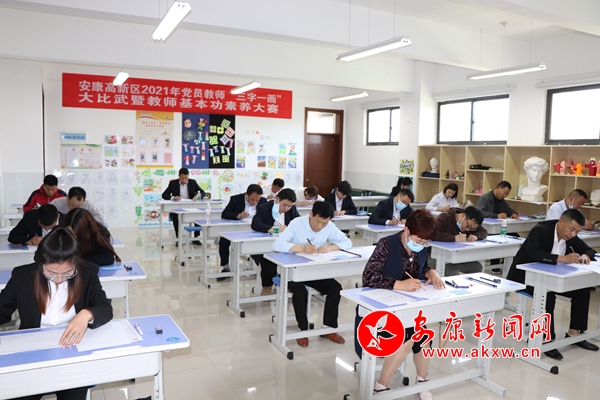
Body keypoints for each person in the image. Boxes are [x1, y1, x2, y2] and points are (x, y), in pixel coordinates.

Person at [0, 227, 113, 400]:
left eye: (67, 273)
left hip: (71, 352)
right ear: (41, 264)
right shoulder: (23, 276)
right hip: (32, 354)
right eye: (51, 273)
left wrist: (86, 314)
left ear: (76, 263)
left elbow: (105, 308)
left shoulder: (87, 273)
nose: (59, 280)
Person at [359, 209, 443, 398]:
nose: (421, 245)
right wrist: (398, 284)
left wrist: (431, 272)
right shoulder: (387, 244)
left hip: (406, 308)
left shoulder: (420, 248)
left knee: (423, 334)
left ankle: (422, 381)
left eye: (425, 243)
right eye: (419, 240)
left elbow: (422, 268)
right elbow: (369, 277)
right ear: (406, 230)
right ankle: (381, 385)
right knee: (410, 333)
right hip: (378, 311)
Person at [506, 209, 598, 361]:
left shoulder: (570, 236)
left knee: (582, 291)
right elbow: (533, 253)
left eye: (577, 231)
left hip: (552, 277)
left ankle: (574, 333)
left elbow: (588, 249)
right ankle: (545, 338)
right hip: (525, 277)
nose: (573, 234)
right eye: (572, 229)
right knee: (547, 295)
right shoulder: (540, 230)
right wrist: (562, 258)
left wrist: (585, 255)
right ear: (561, 222)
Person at [273, 201, 351, 347]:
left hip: (313, 271)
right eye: (317, 221)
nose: (320, 226)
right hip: (292, 271)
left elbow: (347, 242)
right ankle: (302, 329)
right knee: (300, 292)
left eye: (324, 223)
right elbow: (277, 244)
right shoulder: (297, 223)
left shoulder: (329, 226)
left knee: (335, 288)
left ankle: (328, 328)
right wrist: (300, 248)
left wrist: (330, 248)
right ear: (311, 214)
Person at [251, 188, 300, 295]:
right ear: (277, 199)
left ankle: (289, 284)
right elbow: (255, 224)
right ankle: (267, 286)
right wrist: (271, 228)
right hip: (266, 245)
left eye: (289, 206)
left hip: (285, 244)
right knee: (269, 259)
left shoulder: (292, 209)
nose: (286, 208)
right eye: (284, 205)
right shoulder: (264, 208)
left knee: (295, 257)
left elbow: (299, 223)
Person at [218, 184, 267, 281]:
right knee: (223, 241)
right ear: (247, 195)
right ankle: (225, 267)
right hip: (235, 228)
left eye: (257, 200)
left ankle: (262, 268)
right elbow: (225, 214)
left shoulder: (263, 201)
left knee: (258, 243)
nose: (254, 202)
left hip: (254, 228)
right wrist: (239, 215)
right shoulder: (236, 199)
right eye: (252, 199)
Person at [432, 206, 487, 276]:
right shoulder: (445, 217)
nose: (468, 230)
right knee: (453, 272)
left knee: (477, 267)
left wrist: (476, 236)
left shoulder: (473, 222)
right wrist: (454, 238)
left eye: (472, 229)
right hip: (436, 256)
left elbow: (484, 231)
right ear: (463, 216)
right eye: (468, 226)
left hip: (456, 256)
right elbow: (433, 234)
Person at [161, 167, 205, 239]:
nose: (184, 180)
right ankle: (178, 238)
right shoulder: (173, 183)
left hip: (191, 206)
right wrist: (173, 197)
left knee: (197, 216)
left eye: (186, 178)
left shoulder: (192, 182)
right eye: (182, 178)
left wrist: (197, 197)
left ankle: (196, 238)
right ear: (179, 176)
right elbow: (164, 195)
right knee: (175, 217)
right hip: (178, 207)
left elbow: (202, 192)